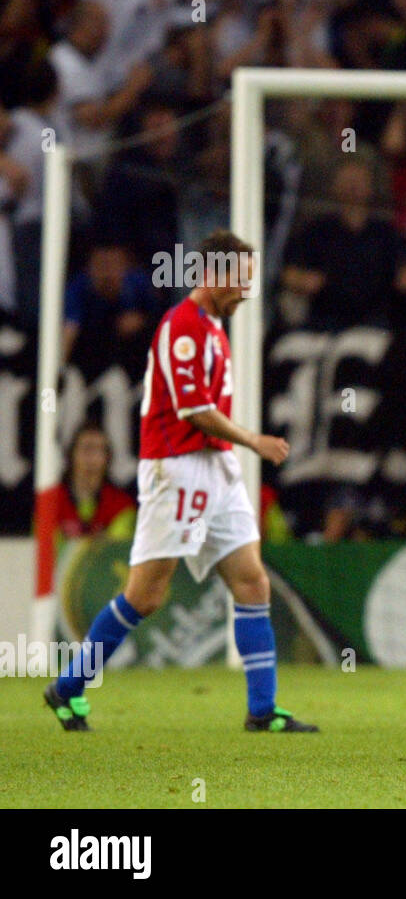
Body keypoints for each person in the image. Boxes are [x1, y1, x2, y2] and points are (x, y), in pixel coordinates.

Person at [46, 230, 317, 734]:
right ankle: (67, 687)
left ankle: (262, 711)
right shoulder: (184, 328)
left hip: (215, 469)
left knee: (252, 582)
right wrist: (252, 440)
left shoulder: (213, 325)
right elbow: (193, 410)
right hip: (178, 467)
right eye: (241, 281)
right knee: (145, 596)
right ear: (213, 276)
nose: (246, 291)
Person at [36, 422, 136, 543]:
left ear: (108, 458)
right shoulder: (48, 501)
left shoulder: (121, 505)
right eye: (87, 449)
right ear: (71, 455)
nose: (92, 459)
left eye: (99, 450)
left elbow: (114, 549)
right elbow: (47, 548)